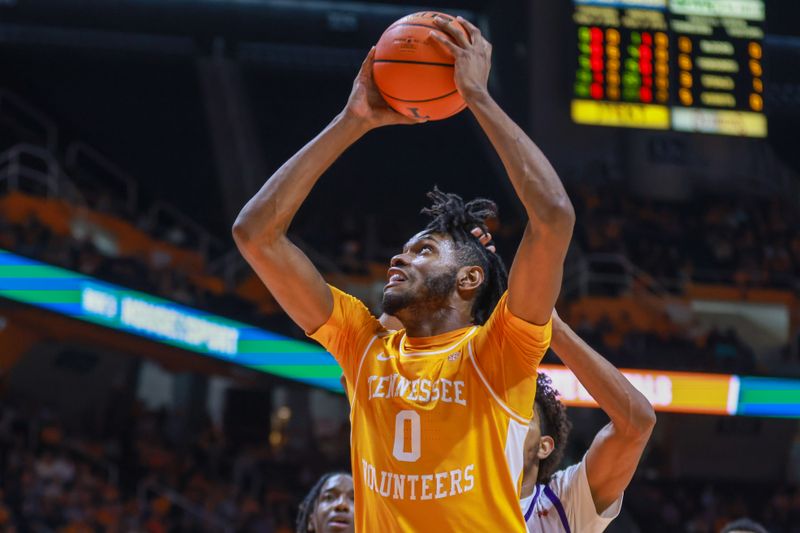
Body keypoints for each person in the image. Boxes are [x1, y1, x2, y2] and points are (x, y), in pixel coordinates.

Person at [233, 13, 574, 531]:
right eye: (405, 249)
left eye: (425, 250)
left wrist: (478, 97)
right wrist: (353, 120)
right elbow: (253, 233)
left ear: (469, 280)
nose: (399, 258)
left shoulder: (501, 353)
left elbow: (552, 219)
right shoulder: (363, 345)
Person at [520, 311, 656, 533]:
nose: (510, 425)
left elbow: (636, 424)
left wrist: (555, 330)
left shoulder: (565, 501)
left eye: (522, 416)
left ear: (543, 446)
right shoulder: (461, 490)